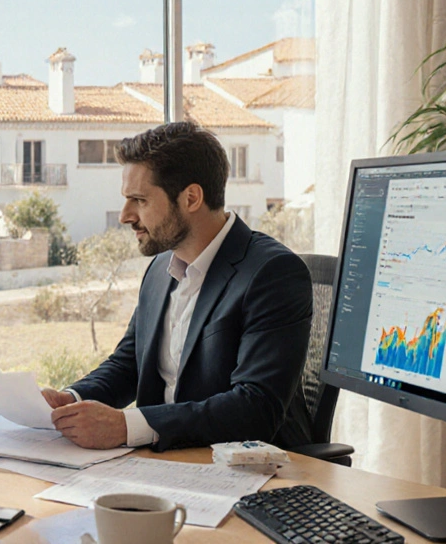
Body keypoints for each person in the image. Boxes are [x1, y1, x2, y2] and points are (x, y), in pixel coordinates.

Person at [40, 123, 313, 451]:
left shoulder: (273, 274)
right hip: (171, 464)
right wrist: (70, 399)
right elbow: (130, 364)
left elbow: (255, 407)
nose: (125, 215)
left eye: (139, 200)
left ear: (191, 198)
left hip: (255, 474)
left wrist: (127, 426)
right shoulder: (160, 268)